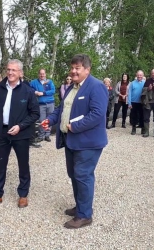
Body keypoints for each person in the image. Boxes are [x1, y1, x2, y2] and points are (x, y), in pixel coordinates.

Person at [42, 54, 108, 229]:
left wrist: (76, 126)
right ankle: (81, 206)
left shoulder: (96, 86)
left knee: (83, 175)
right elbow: (61, 108)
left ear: (87, 69)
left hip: (88, 142)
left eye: (77, 68)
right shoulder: (73, 86)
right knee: (74, 175)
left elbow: (97, 114)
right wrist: (50, 119)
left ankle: (85, 215)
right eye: (72, 68)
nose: (73, 71)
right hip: (71, 140)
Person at [0, 59, 40, 208]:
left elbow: (35, 113)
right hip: (1, 132)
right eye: (8, 70)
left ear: (20, 73)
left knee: (23, 164)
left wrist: (20, 126)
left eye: (13, 70)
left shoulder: (27, 91)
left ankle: (23, 194)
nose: (10, 72)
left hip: (20, 134)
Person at [30, 69, 56, 142]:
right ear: (38, 74)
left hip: (50, 103)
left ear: (45, 74)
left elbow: (53, 91)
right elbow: (28, 88)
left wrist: (43, 93)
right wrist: (35, 92)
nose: (42, 75)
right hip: (41, 104)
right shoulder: (34, 82)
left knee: (49, 120)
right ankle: (41, 135)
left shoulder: (49, 82)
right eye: (41, 74)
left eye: (43, 74)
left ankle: (47, 135)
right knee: (42, 120)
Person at [128, 70, 145, 135]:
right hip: (133, 102)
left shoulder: (145, 83)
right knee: (133, 116)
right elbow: (129, 93)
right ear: (136, 75)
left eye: (140, 75)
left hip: (142, 102)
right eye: (138, 75)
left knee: (142, 115)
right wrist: (129, 103)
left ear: (143, 76)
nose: (139, 76)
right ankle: (133, 128)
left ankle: (143, 129)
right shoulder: (132, 83)